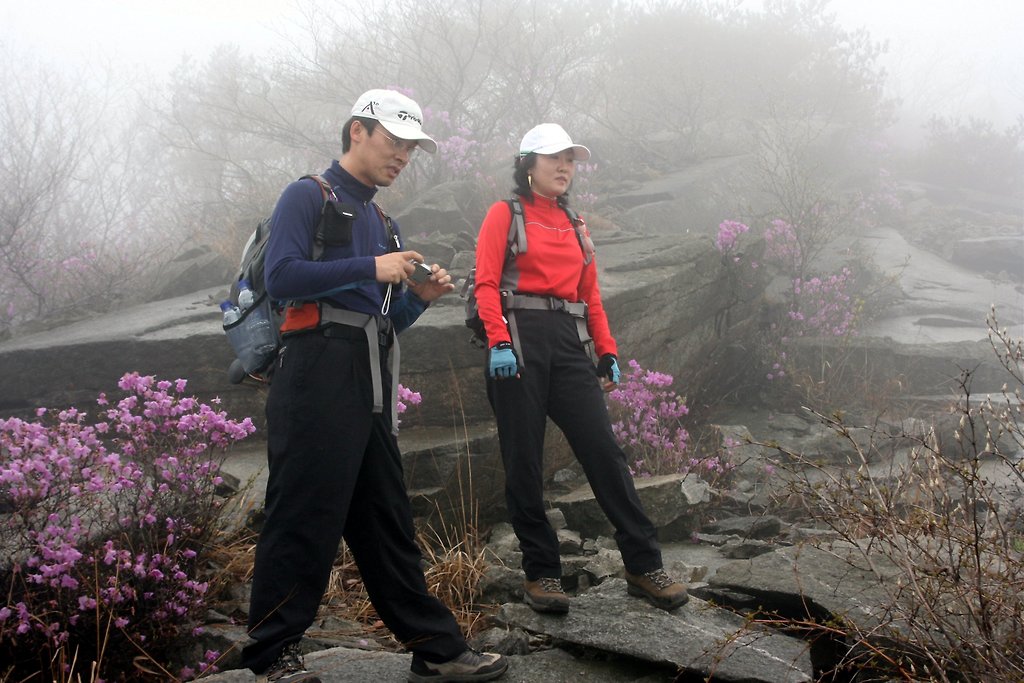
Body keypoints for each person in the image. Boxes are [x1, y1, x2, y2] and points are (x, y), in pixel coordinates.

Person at [241, 89, 508, 683]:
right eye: (394, 141)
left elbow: (382, 322)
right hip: (313, 374)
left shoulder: (383, 221)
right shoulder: (308, 195)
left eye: (411, 148)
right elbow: (282, 278)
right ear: (357, 131)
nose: (403, 156)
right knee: (303, 515)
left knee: (386, 520)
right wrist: (371, 268)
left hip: (367, 380)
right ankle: (269, 658)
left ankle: (435, 649)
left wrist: (418, 298)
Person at [472, 123, 689, 615]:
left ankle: (643, 563)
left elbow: (590, 295)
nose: (564, 167)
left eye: (570, 159)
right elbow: (486, 283)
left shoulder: (575, 223)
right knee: (524, 460)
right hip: (519, 340)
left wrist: (607, 351)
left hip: (569, 343)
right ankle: (543, 573)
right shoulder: (504, 214)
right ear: (528, 163)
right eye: (554, 158)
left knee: (603, 451)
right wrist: (498, 342)